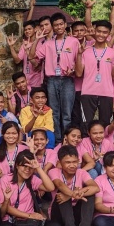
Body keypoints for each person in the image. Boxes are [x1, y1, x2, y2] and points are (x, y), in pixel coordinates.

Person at [0, 149, 61, 226]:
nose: (27, 170)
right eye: (24, 166)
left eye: (30, 167)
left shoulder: (32, 179)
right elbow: (7, 207)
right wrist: (30, 215)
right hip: (13, 222)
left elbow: (50, 187)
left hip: (31, 223)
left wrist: (38, 168)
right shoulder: (5, 180)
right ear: (17, 166)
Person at [36, 13, 78, 145]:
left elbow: (80, 60)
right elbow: (33, 56)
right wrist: (36, 40)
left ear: (65, 25)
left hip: (67, 79)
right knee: (54, 112)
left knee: (66, 113)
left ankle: (67, 141)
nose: (59, 27)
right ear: (52, 27)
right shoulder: (48, 43)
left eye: (61, 24)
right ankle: (57, 140)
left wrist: (74, 69)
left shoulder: (73, 41)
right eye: (56, 25)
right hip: (52, 80)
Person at [49, 144, 98, 226]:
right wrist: (72, 194)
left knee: (89, 194)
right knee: (62, 194)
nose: (72, 165)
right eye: (68, 162)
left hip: (76, 215)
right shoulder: (53, 171)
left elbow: (95, 187)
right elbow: (60, 185)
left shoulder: (81, 172)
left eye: (74, 162)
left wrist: (80, 192)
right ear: (60, 163)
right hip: (59, 215)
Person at [75, 18, 114, 127]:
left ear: (109, 34)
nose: (101, 35)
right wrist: (79, 55)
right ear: (94, 31)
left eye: (105, 32)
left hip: (106, 93)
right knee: (85, 125)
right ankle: (86, 144)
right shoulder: (85, 51)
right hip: (88, 92)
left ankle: (105, 145)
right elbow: (79, 74)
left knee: (106, 125)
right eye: (99, 31)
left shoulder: (113, 53)